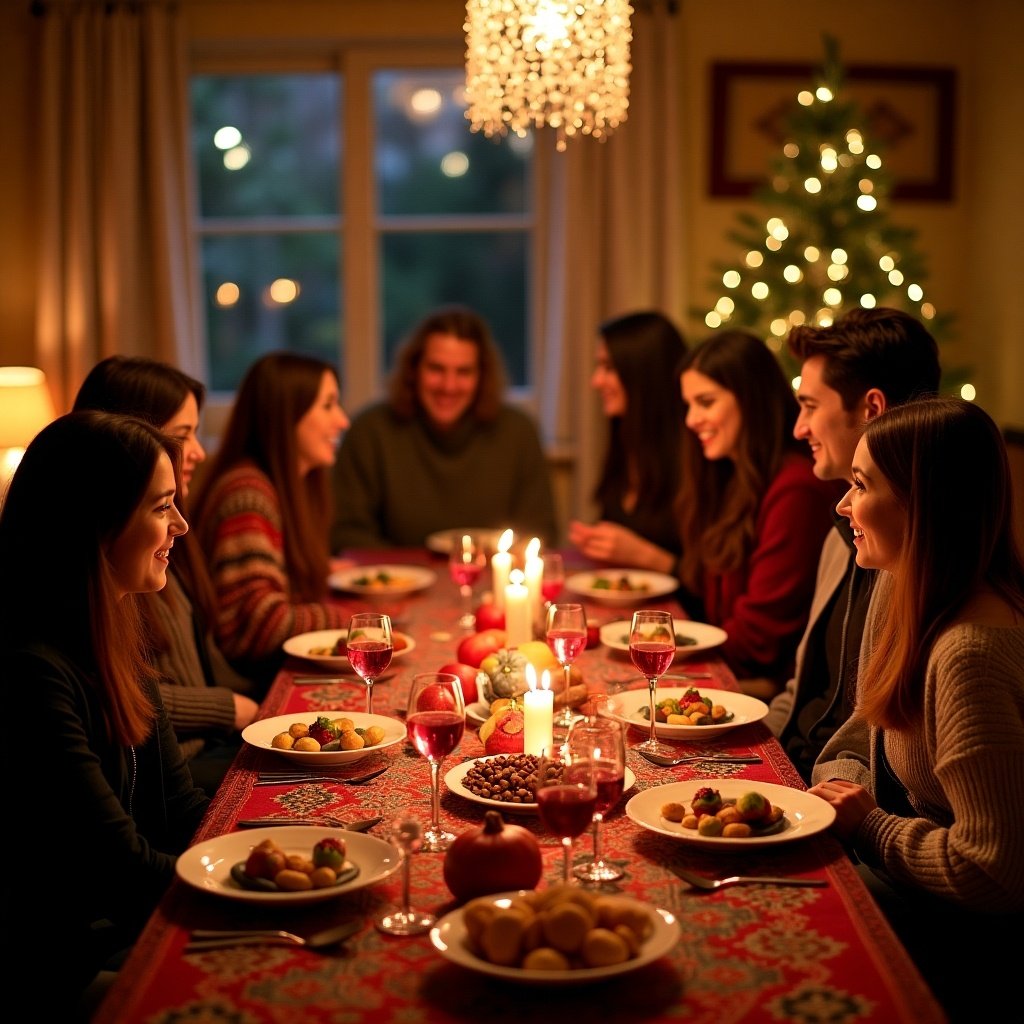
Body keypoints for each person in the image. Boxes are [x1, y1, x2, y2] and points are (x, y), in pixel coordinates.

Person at [808, 397, 1024, 1019]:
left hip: (969, 943)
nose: (843, 504)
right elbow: (860, 734)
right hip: (910, 885)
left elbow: (998, 871)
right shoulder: (903, 585)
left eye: (861, 484)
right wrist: (841, 792)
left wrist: (869, 826)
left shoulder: (969, 656)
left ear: (923, 503)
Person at [0, 411, 210, 1018]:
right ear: (95, 524)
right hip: (53, 973)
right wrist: (248, 884)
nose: (182, 524)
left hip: (111, 939)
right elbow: (123, 872)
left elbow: (181, 809)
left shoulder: (114, 631)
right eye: (160, 506)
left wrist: (280, 850)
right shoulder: (30, 670)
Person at [763, 307, 942, 782]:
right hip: (794, 772)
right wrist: (756, 757)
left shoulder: (918, 562)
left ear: (871, 409)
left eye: (810, 406)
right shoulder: (840, 536)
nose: (799, 428)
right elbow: (801, 692)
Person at [73, 355, 260, 795]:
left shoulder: (164, 546)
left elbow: (200, 662)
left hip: (189, 759)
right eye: (182, 436)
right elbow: (126, 693)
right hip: (185, 757)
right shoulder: (123, 563)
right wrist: (229, 706)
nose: (196, 451)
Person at [676, 330, 844, 697]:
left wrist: (669, 655)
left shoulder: (797, 488)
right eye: (689, 404)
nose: (691, 419)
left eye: (705, 402)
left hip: (773, 692)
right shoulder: (729, 477)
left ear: (751, 400)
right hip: (736, 673)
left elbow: (760, 637)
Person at [330, 305, 558, 551]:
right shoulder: (370, 431)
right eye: (436, 369)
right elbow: (347, 534)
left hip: (492, 580)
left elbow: (540, 531)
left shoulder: (518, 431)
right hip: (399, 584)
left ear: (482, 376)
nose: (449, 386)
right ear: (414, 369)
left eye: (464, 372)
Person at [190, 351, 353, 687]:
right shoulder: (246, 494)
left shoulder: (290, 485)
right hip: (250, 689)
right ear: (285, 415)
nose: (342, 420)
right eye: (328, 405)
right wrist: (352, 619)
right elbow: (259, 623)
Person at [568, 310, 690, 575]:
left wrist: (643, 555)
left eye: (609, 368)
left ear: (644, 373)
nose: (596, 381)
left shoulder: (693, 458)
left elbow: (711, 584)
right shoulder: (625, 442)